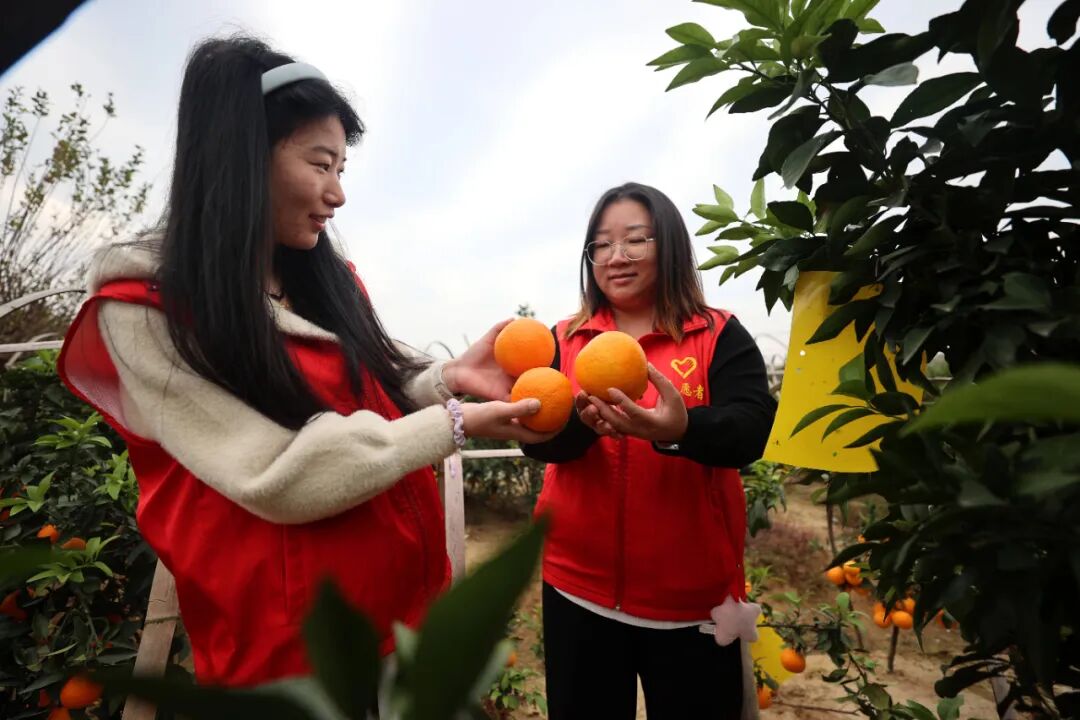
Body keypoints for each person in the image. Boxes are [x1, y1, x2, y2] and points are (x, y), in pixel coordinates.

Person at [57, 35, 552, 688]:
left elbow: (371, 383)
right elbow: (277, 476)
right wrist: (454, 423)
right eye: (321, 164)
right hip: (292, 660)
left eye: (342, 169)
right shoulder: (146, 313)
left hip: (398, 624)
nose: (338, 193)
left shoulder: (325, 281)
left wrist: (446, 381)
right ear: (243, 156)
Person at [522, 182, 777, 720]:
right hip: (576, 587)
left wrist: (680, 428)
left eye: (635, 239)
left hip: (690, 602)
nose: (616, 256)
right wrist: (585, 425)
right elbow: (538, 442)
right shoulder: (563, 339)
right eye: (602, 244)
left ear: (670, 246)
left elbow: (752, 429)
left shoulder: (716, 334)